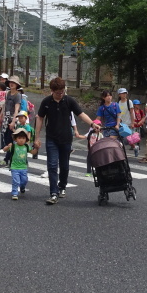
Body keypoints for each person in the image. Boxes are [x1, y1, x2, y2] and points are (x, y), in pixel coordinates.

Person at [33, 77, 99, 205]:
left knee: (64, 166)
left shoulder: (69, 101)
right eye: (58, 92)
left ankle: (62, 186)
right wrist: (37, 137)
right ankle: (53, 192)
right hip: (51, 138)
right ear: (52, 91)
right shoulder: (46, 102)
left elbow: (81, 114)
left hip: (66, 139)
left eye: (62, 91)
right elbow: (40, 118)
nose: (61, 94)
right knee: (52, 165)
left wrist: (92, 124)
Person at [1, 129, 30, 200]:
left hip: (24, 167)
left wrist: (37, 148)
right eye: (19, 138)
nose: (21, 140)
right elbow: (4, 149)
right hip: (14, 167)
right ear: (16, 139)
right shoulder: (13, 146)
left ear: (26, 139)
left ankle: (22, 187)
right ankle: (14, 193)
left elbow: (33, 152)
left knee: (24, 180)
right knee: (16, 181)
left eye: (23, 138)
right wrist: (8, 146)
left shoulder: (26, 146)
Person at [0, 75, 22, 150]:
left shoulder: (17, 95)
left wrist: (13, 121)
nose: (11, 84)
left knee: (11, 137)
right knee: (5, 136)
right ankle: (9, 156)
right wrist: (1, 115)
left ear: (17, 85)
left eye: (13, 83)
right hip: (6, 117)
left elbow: (17, 109)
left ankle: (9, 157)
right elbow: (5, 105)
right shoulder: (7, 93)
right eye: (10, 82)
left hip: (13, 118)